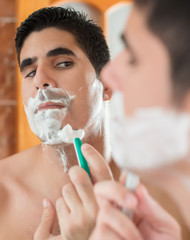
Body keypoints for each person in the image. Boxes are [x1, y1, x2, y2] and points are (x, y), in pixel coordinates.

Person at [0, 7, 118, 240]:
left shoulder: (163, 192)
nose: (41, 80)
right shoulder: (3, 193)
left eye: (63, 63)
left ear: (106, 82)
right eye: (30, 72)